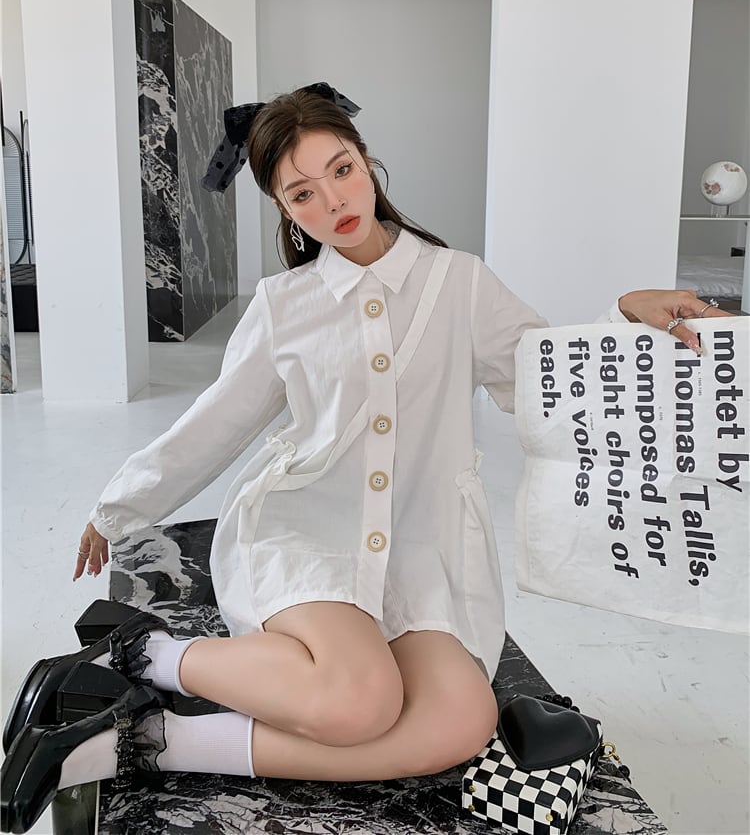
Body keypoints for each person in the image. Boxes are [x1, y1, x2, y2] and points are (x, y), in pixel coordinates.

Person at [0, 83, 729, 833]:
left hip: (422, 547)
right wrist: (119, 506)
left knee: (459, 721)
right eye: (303, 193)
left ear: (367, 162)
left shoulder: (458, 281)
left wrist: (622, 317)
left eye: (342, 170)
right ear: (286, 210)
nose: (334, 201)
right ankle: (141, 654)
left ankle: (141, 743)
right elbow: (216, 423)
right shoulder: (285, 304)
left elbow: (544, 382)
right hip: (307, 527)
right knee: (360, 702)